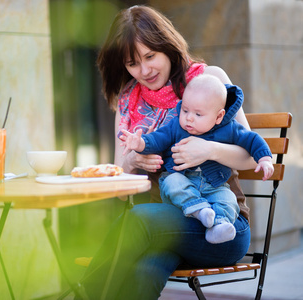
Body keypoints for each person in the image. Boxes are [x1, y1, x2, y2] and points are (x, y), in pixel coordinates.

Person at [79, 5, 259, 299]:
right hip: (164, 231)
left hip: (221, 226)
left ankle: (84, 293)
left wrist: (208, 148)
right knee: (141, 277)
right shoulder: (128, 105)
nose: (144, 70)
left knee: (138, 219)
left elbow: (251, 156)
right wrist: (131, 160)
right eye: (132, 63)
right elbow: (121, 191)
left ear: (167, 46)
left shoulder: (208, 81)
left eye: (150, 56)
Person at [120, 74, 274, 244]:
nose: (189, 118)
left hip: (214, 186)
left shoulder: (228, 129)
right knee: (172, 183)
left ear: (218, 116)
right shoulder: (176, 126)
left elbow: (252, 140)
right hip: (182, 181)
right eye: (185, 110)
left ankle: (220, 225)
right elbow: (157, 139)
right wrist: (140, 143)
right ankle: (199, 210)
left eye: (198, 114)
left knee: (228, 199)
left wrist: (265, 158)